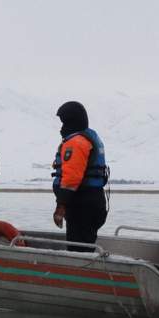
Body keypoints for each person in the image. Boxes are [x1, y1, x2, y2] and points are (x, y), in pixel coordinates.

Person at [51, 101, 109, 251]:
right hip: (93, 202)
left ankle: (84, 273)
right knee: (86, 246)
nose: (61, 127)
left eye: (63, 122)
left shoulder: (76, 143)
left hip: (82, 205)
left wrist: (61, 206)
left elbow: (71, 179)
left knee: (79, 250)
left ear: (71, 121)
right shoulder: (89, 137)